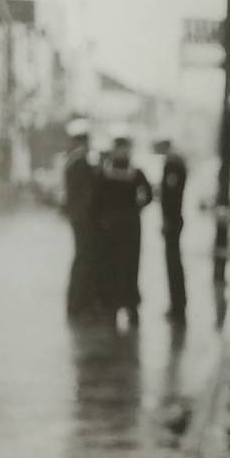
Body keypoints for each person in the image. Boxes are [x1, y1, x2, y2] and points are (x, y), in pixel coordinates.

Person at [94, 129, 153, 329]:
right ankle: (130, 306)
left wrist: (104, 217)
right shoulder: (136, 173)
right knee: (129, 265)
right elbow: (149, 196)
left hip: (112, 226)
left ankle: (113, 305)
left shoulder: (106, 172)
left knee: (113, 264)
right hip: (130, 225)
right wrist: (137, 207)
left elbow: (97, 199)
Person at [62, 118, 100, 319]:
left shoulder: (73, 161)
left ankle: (78, 303)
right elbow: (86, 194)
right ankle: (78, 304)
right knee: (83, 259)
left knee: (82, 259)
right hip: (83, 219)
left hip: (78, 217)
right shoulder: (80, 162)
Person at [154, 136, 187, 323]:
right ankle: (178, 304)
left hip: (172, 221)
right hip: (175, 220)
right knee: (174, 263)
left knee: (173, 263)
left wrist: (167, 220)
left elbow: (171, 196)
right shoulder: (176, 162)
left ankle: (177, 306)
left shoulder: (172, 164)